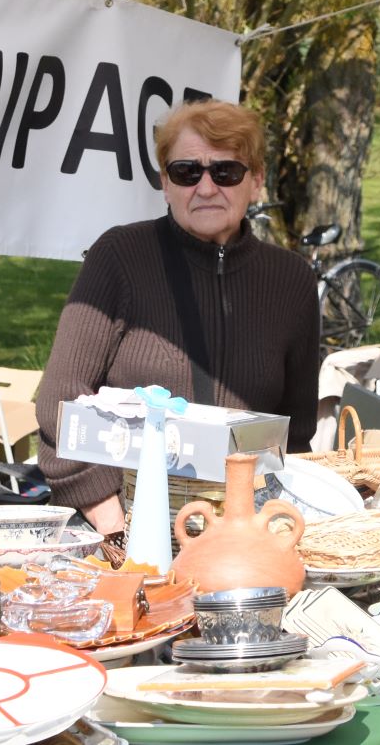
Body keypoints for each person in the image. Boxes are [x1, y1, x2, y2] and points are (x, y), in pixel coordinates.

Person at [35, 99, 320, 536]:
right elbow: (61, 399)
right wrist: (116, 528)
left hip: (241, 537)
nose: (206, 188)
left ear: (257, 180)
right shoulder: (120, 257)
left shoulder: (291, 280)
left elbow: (294, 436)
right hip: (121, 527)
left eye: (226, 172)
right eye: (187, 172)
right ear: (165, 184)